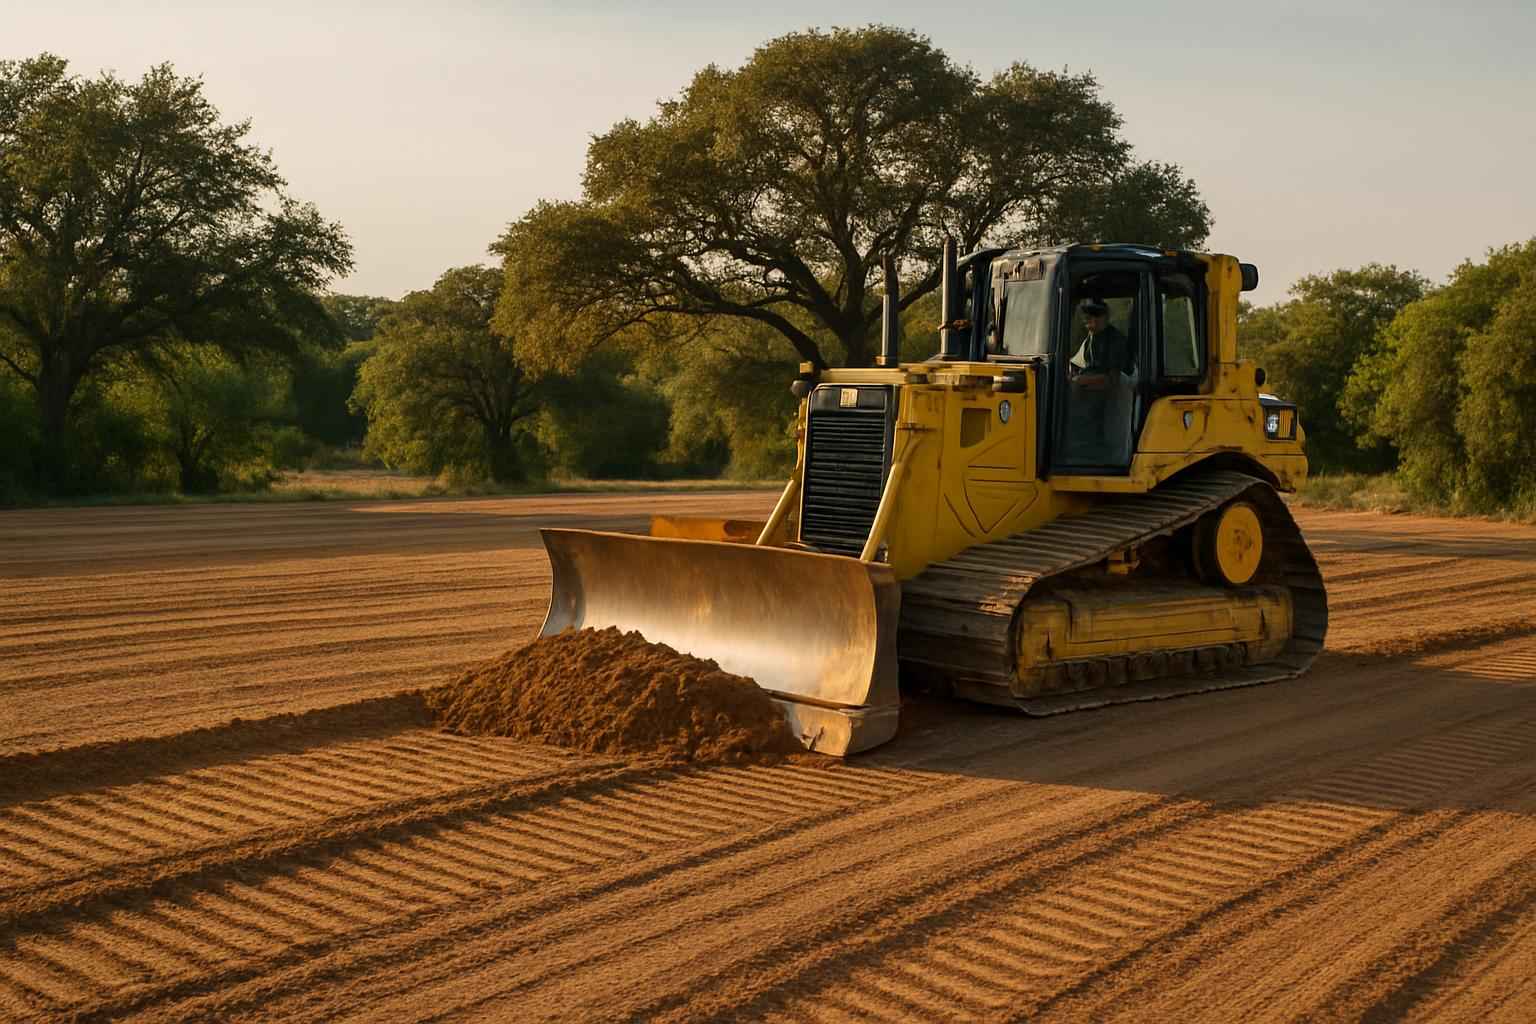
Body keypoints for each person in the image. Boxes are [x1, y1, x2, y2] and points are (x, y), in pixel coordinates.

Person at [1072, 299, 1134, 377]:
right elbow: (1076, 363)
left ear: (1106, 317)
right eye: (1087, 314)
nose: (1089, 318)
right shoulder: (1089, 339)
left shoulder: (1116, 340)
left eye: (1096, 314)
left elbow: (1113, 377)